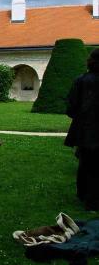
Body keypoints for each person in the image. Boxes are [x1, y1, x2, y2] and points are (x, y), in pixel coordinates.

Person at [64, 48, 99, 211]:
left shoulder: (81, 80)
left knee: (86, 163)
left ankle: (83, 194)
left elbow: (71, 107)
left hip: (85, 129)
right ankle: (92, 201)